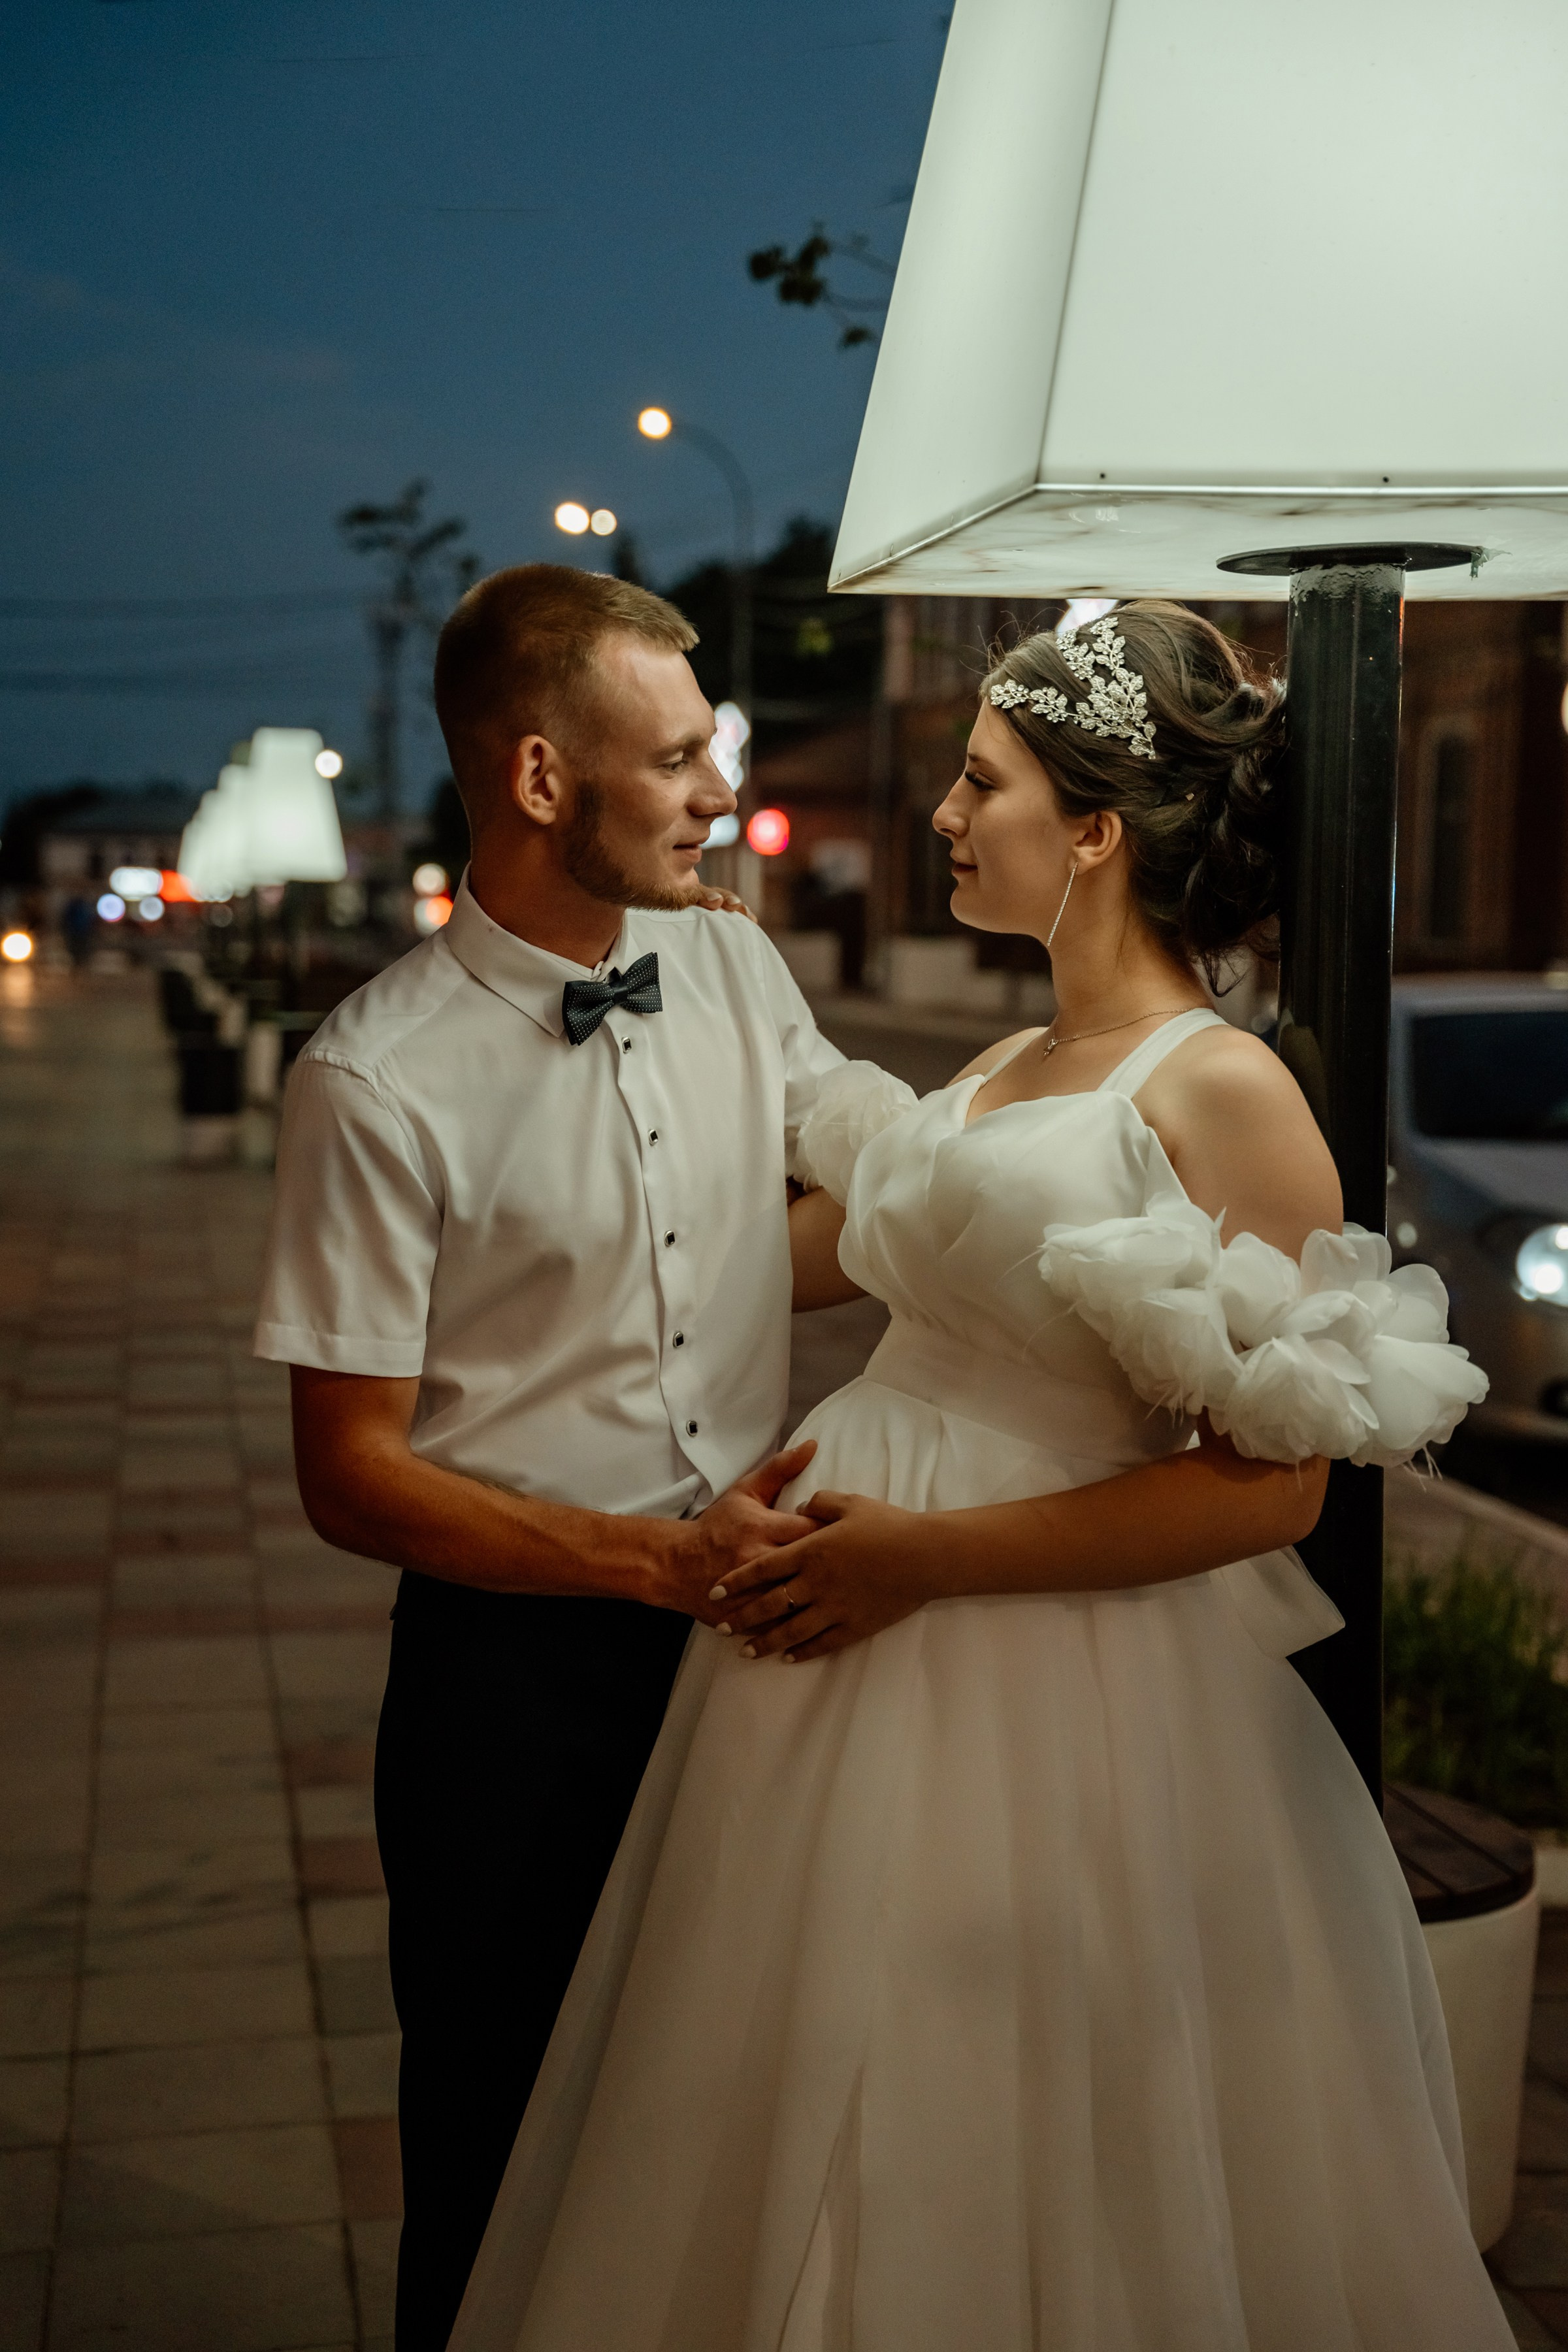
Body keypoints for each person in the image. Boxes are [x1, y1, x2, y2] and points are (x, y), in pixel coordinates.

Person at [449, 602, 1509, 2351]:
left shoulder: (1225, 1089)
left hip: (1043, 1674)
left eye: (980, 781)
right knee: (788, 2067)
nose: (943, 811)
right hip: (830, 1652)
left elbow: (1275, 1494)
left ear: (1094, 831)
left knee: (997, 2078)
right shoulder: (1011, 1060)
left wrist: (922, 1561)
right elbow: (804, 1247)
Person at [252, 565, 847, 2350]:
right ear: (534, 779)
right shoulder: (372, 1081)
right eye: (672, 759)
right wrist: (651, 1566)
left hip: (763, 1649)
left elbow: (834, 1214)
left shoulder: (736, 963)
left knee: (739, 2117)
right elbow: (349, 1472)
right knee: (508, 2148)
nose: (716, 793)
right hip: (513, 1690)